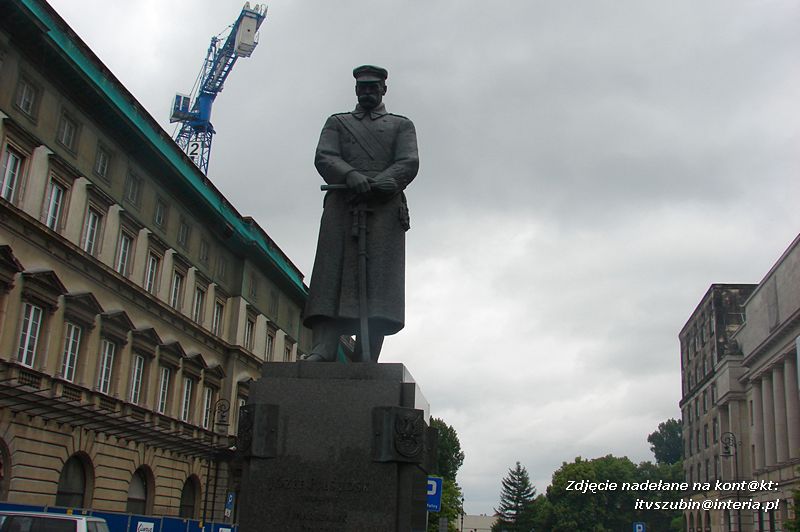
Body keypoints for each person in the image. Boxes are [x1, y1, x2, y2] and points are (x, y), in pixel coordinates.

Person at [302, 65, 419, 362]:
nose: (367, 92)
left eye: (373, 87)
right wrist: (350, 174)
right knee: (331, 276)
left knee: (378, 284)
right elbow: (325, 155)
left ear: (383, 89)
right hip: (343, 202)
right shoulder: (337, 122)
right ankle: (325, 347)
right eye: (362, 87)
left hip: (383, 207)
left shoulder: (401, 125)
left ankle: (368, 355)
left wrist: (384, 182)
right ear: (356, 90)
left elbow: (408, 161)